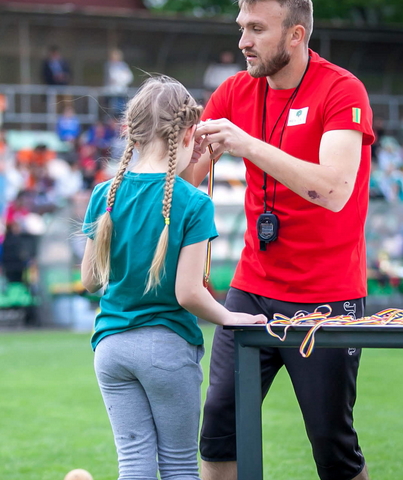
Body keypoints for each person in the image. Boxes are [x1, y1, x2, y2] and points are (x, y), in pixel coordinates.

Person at [185, 1, 374, 478]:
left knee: (333, 449)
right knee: (219, 428)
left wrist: (246, 144)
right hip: (251, 288)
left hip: (326, 298)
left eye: (256, 29)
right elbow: (189, 179)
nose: (243, 41)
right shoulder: (232, 92)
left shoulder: (342, 89)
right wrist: (145, 159)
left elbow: (332, 190)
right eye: (241, 28)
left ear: (295, 35)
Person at [81, 76, 266, 480]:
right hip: (165, 350)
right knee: (180, 465)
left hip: (110, 350)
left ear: (130, 130)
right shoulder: (193, 202)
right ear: (188, 134)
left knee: (134, 462)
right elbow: (188, 293)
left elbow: (91, 280)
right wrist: (231, 317)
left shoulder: (103, 194)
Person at [104, 48, 134, 116]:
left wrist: (121, 79)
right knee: (112, 112)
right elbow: (113, 77)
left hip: (121, 92)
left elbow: (129, 78)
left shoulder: (124, 65)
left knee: (122, 111)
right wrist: (122, 78)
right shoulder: (109, 65)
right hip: (112, 93)